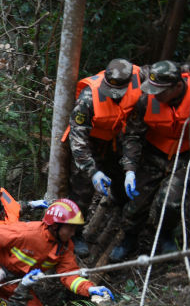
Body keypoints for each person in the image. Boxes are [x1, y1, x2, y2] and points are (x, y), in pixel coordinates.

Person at [0, 199, 114, 306]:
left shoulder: (64, 247)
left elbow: (69, 275)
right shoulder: (28, 233)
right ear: (55, 225)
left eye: (74, 229)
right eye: (69, 228)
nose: (72, 233)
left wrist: (89, 288)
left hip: (19, 286)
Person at [112, 60, 190, 261]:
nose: (155, 94)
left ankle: (166, 235)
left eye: (161, 91)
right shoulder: (145, 101)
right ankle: (129, 238)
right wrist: (130, 169)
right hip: (153, 153)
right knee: (136, 202)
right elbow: (132, 135)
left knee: (171, 202)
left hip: (184, 155)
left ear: (177, 86)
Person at [61, 59, 144, 256]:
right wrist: (92, 171)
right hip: (90, 142)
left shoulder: (139, 77)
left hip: (117, 137)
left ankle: (121, 202)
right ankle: (76, 233)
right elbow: (78, 138)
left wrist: (130, 170)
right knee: (82, 190)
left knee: (122, 176)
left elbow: (161, 74)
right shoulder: (88, 97)